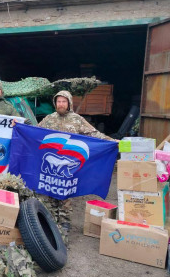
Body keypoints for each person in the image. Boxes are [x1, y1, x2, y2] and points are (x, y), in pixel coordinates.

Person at [37, 90, 116, 244]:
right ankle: (51, 223)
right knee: (49, 191)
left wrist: (111, 141)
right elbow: (34, 131)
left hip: (68, 165)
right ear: (55, 103)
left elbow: (94, 134)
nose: (61, 104)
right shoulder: (49, 119)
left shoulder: (77, 120)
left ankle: (65, 225)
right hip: (52, 165)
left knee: (65, 193)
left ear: (69, 103)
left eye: (63, 101)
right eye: (58, 102)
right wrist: (18, 126)